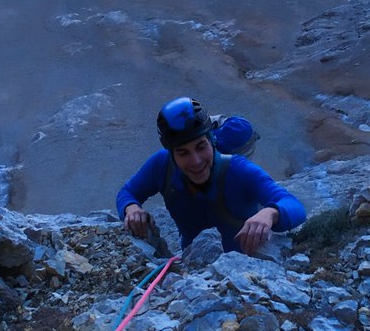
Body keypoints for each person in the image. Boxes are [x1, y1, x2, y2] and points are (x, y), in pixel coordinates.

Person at [116, 97, 306, 256]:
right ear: (171, 153)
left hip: (247, 271)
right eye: (183, 153)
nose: (196, 161)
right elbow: (128, 192)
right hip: (192, 269)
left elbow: (294, 206)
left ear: (212, 140)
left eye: (201, 147)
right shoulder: (162, 164)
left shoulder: (238, 170)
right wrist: (131, 208)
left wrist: (270, 213)